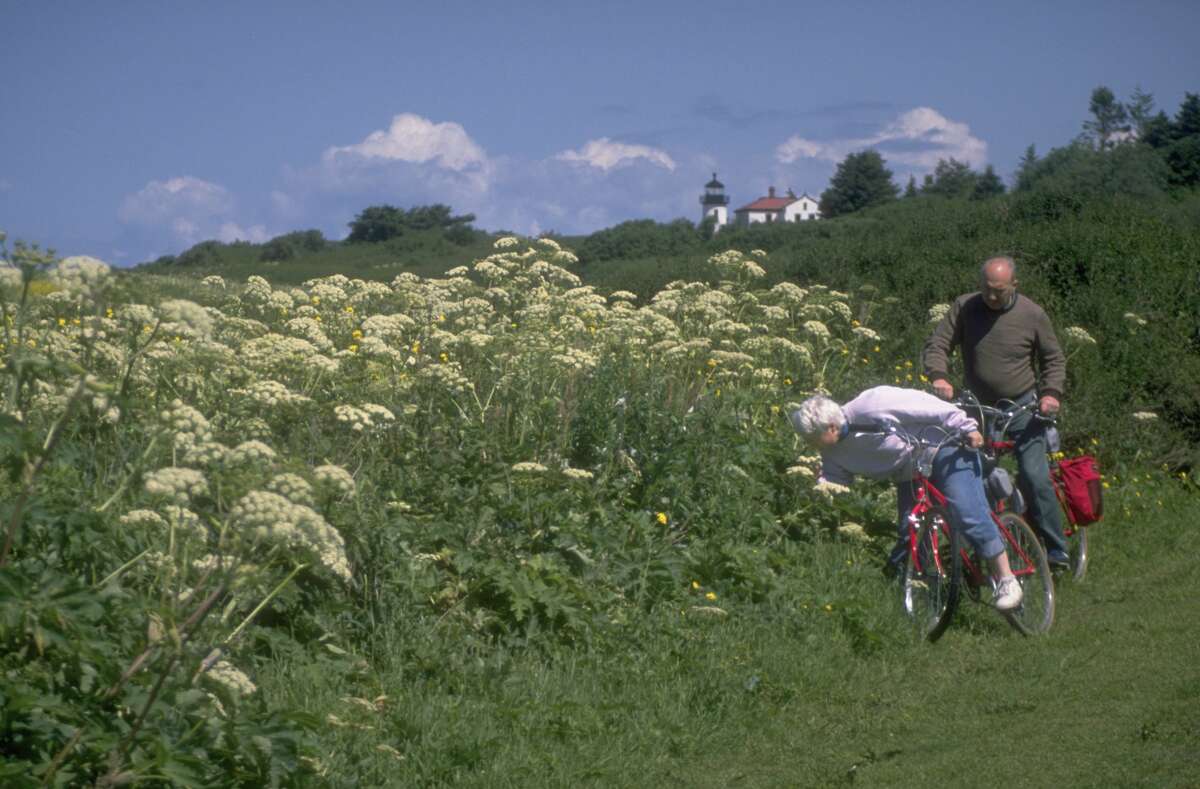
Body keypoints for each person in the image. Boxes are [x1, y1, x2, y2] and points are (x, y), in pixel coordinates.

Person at [788, 385, 1023, 611]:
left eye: (811, 437)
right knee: (909, 531)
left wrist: (967, 427)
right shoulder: (831, 450)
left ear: (830, 427)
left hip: (944, 447)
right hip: (910, 471)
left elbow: (928, 406)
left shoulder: (871, 404)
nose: (809, 444)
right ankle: (925, 595)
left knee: (966, 512)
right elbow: (835, 479)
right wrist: (816, 492)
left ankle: (1006, 579)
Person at [923, 256, 1070, 569]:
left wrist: (1050, 395)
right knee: (974, 475)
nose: (991, 296)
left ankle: (1056, 549)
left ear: (1014, 286)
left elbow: (1053, 360)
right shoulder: (965, 307)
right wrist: (939, 374)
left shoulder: (1032, 314)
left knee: (1033, 474)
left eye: (999, 291)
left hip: (1022, 406)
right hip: (976, 407)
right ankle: (988, 546)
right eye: (986, 289)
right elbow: (938, 344)